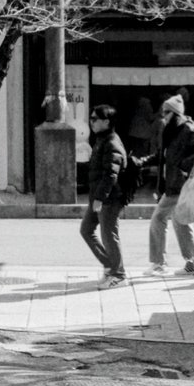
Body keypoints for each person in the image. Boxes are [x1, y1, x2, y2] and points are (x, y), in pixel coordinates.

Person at [136, 94, 194, 276]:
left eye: (167, 112)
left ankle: (159, 264)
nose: (163, 116)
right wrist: (142, 161)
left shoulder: (187, 129)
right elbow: (161, 157)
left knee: (159, 219)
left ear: (176, 114)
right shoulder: (169, 131)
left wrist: (184, 165)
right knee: (181, 223)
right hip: (172, 183)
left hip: (179, 183)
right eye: (163, 112)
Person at [80, 104, 129, 289]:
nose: (91, 122)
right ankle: (110, 266)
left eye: (95, 119)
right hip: (98, 197)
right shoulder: (102, 140)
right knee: (86, 230)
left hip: (109, 198)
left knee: (109, 235)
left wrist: (100, 197)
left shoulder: (111, 142)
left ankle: (119, 275)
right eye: (91, 119)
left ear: (106, 121)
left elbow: (110, 174)